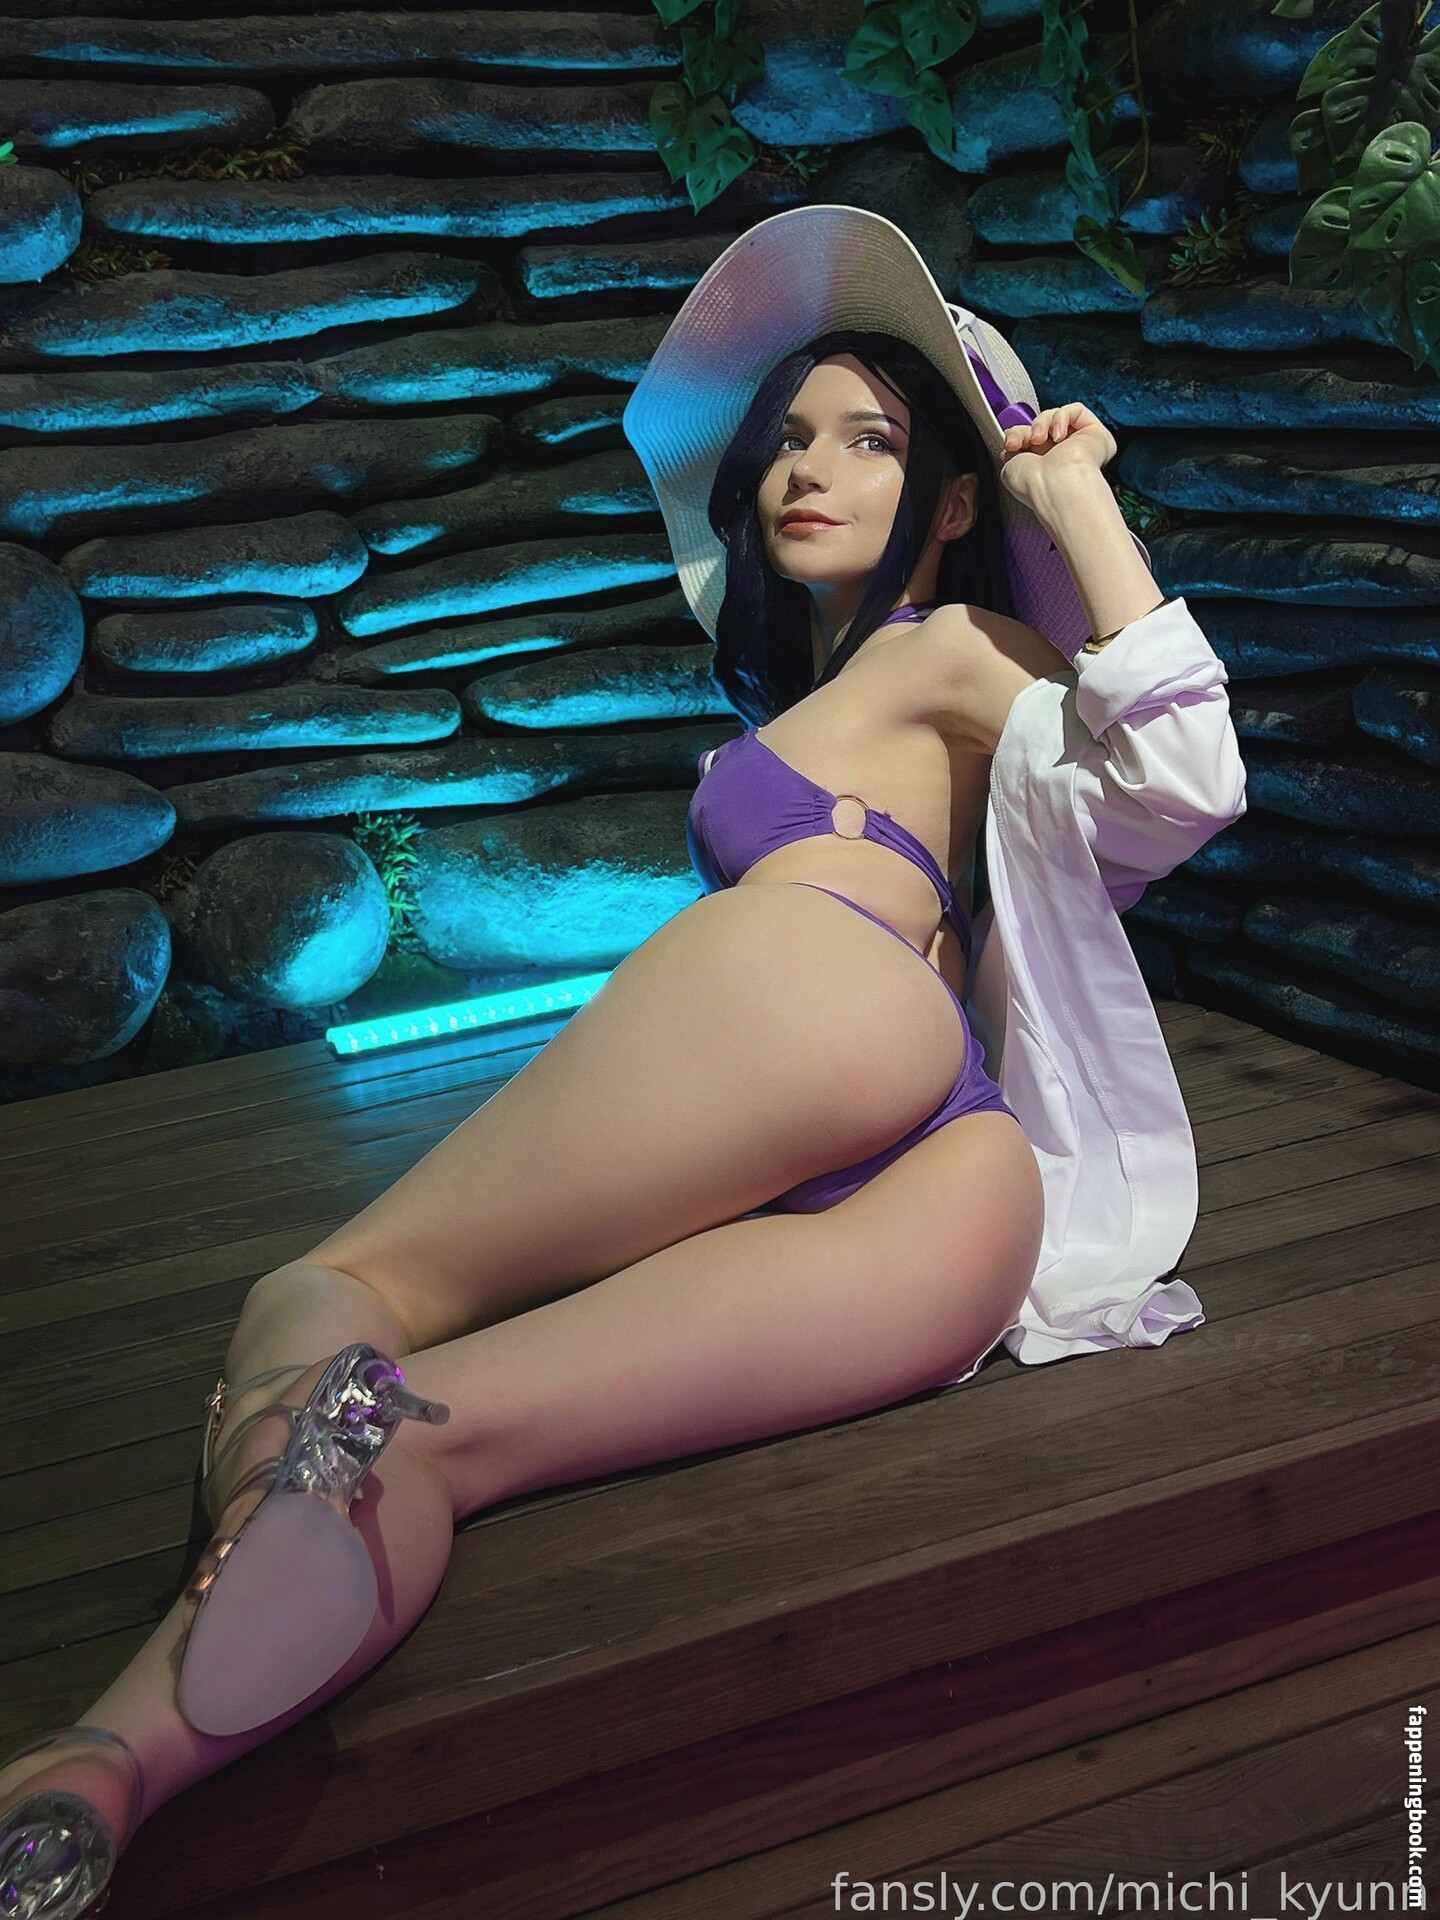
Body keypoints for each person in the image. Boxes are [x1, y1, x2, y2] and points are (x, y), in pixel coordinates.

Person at [0, 205, 1246, 1917]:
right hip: (965, 1196)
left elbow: (1187, 781)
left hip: (828, 1007)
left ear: (953, 499)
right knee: (444, 1433)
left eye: (869, 440)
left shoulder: (949, 648)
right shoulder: (847, 695)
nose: (806, 469)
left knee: (335, 1286)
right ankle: (119, 1763)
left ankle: (241, 1517)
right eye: (787, 438)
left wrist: (1075, 495)